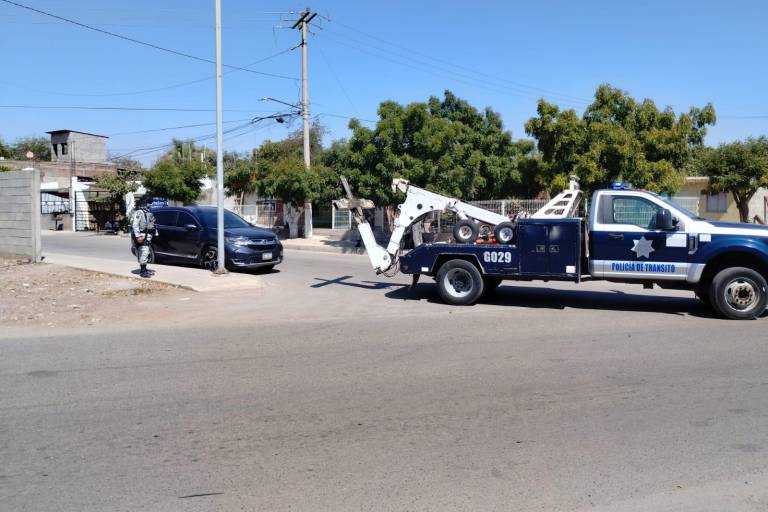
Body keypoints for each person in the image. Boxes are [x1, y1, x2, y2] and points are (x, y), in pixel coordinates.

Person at [131, 205, 158, 278]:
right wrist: (138, 236)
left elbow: (153, 224)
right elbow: (135, 225)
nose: (149, 205)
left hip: (147, 235)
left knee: (145, 252)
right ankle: (143, 272)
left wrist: (155, 233)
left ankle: (144, 269)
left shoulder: (148, 212)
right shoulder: (139, 213)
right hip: (142, 235)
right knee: (144, 252)